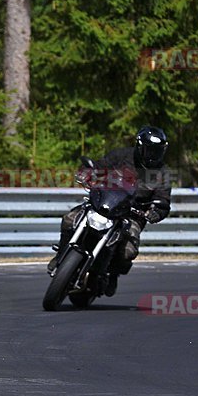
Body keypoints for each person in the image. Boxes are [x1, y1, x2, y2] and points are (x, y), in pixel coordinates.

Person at [47, 126, 172, 295]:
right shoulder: (121, 156)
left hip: (131, 215)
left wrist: (156, 211)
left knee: (128, 250)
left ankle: (112, 274)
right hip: (105, 202)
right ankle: (62, 254)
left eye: (157, 151)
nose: (152, 155)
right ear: (140, 147)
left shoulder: (162, 173)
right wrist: (86, 172)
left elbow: (163, 201)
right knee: (70, 219)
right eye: (149, 150)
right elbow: (98, 166)